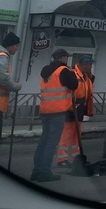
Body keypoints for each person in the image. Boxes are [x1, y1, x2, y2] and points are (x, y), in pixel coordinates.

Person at [31, 49, 78, 182]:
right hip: (57, 111)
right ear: (62, 58)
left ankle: (37, 170)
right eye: (66, 57)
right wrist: (72, 72)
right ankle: (45, 171)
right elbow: (74, 85)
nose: (67, 60)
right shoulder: (63, 71)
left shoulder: (46, 71)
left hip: (45, 110)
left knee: (44, 141)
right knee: (51, 142)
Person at [55, 55, 95, 168]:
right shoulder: (73, 74)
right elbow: (68, 92)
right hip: (71, 108)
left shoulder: (86, 76)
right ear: (84, 65)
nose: (91, 66)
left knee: (76, 135)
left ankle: (74, 157)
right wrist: (72, 105)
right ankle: (61, 159)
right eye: (90, 64)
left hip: (80, 108)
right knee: (66, 135)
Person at [0, 32, 22, 141]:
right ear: (9, 45)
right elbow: (2, 77)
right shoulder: (3, 57)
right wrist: (14, 86)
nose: (17, 48)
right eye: (16, 45)